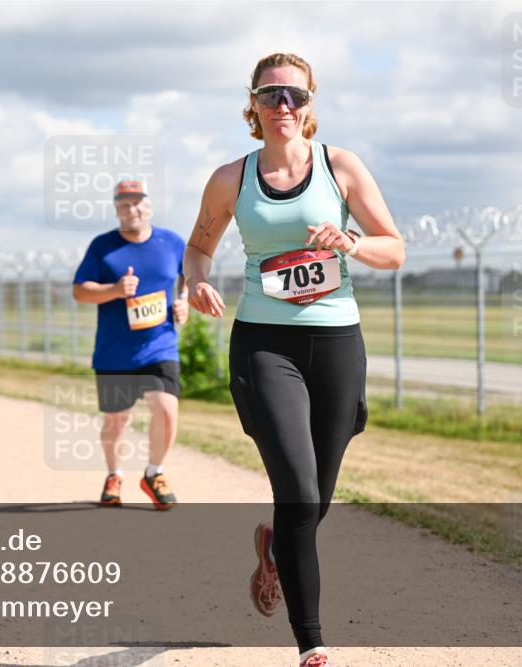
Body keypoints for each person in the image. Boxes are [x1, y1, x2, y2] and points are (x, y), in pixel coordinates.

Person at [184, 53, 405, 667]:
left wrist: (353, 242)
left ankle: (274, 550)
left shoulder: (341, 167)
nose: (285, 106)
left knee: (316, 498)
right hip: (264, 344)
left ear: (311, 106)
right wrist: (196, 281)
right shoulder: (232, 178)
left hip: (335, 344)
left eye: (296, 96)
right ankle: (312, 643)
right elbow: (198, 247)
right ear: (252, 104)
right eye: (272, 95)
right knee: (300, 493)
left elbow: (395, 249)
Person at [72, 179, 189, 511]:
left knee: (166, 410)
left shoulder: (172, 242)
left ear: (148, 205)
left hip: (160, 345)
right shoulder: (103, 246)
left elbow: (189, 279)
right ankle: (114, 474)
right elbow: (79, 291)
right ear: (116, 209)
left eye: (137, 203)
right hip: (115, 351)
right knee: (116, 422)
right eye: (123, 205)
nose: (131, 210)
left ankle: (155, 473)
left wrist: (185, 303)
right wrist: (115, 290)